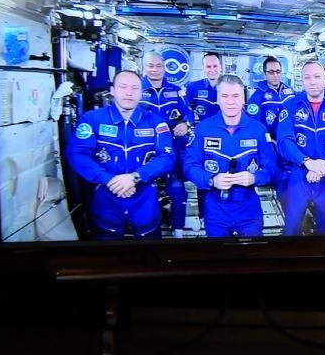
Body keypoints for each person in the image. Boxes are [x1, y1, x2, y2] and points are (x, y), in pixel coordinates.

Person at [66, 70, 175, 240]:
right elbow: (77, 154)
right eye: (123, 87)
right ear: (113, 90)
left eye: (135, 88)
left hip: (144, 200)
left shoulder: (156, 123)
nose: (129, 93)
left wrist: (135, 177)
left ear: (141, 92)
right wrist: (108, 179)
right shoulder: (92, 120)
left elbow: (166, 157)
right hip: (106, 199)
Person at [183, 75, 275, 238]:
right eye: (224, 96)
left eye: (235, 96)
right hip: (215, 210)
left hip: (249, 211)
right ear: (217, 99)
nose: (230, 102)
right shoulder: (203, 129)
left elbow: (272, 168)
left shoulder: (258, 130)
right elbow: (189, 165)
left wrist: (254, 177)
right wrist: (211, 180)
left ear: (243, 99)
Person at [275, 60, 325, 235]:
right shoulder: (290, 107)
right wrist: (307, 162)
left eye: (317, 76)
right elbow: (284, 141)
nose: (312, 81)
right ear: (302, 81)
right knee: (291, 227)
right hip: (299, 176)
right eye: (307, 77)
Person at [139, 50, 193, 236]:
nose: (154, 70)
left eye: (158, 66)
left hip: (170, 148)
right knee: (144, 191)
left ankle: (178, 230)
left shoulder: (176, 90)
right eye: (150, 66)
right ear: (143, 67)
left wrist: (185, 124)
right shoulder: (136, 89)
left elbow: (189, 113)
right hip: (142, 149)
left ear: (164, 68)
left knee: (177, 190)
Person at [245, 55, 295, 138]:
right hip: (270, 141)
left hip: (290, 139)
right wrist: (267, 140)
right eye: (271, 72)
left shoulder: (290, 92)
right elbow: (253, 124)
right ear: (265, 73)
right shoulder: (257, 96)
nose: (275, 75)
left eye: (278, 71)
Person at [185, 51, 223, 121]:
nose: (212, 70)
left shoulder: (230, 88)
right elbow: (186, 111)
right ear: (203, 68)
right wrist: (187, 122)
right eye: (208, 66)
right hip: (203, 126)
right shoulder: (193, 87)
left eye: (215, 66)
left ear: (220, 67)